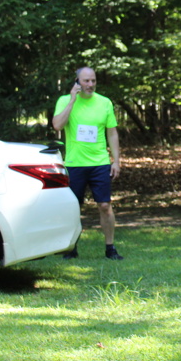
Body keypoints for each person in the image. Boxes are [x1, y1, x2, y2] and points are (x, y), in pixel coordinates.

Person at [53, 66, 123, 260]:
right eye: (86, 81)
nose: (90, 84)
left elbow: (112, 133)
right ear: (77, 82)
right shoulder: (64, 101)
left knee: (105, 205)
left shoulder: (104, 102)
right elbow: (57, 125)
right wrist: (72, 101)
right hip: (75, 163)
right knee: (74, 207)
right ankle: (71, 247)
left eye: (93, 80)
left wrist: (116, 161)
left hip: (99, 162)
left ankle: (110, 248)